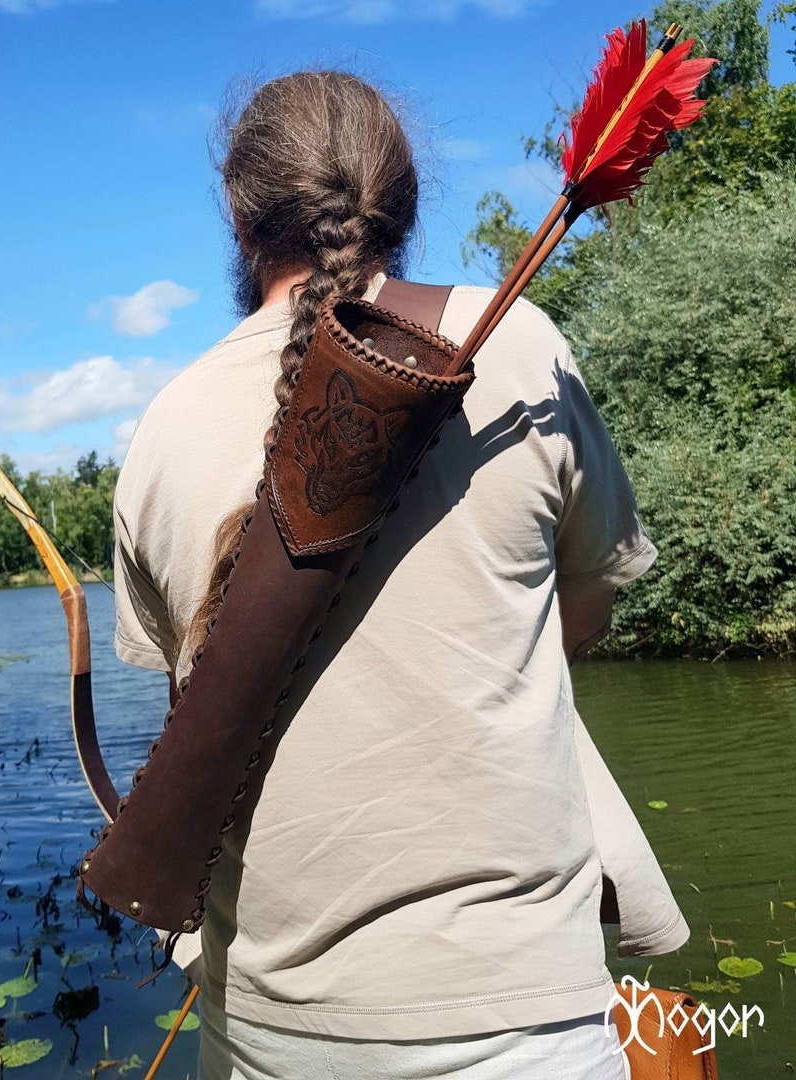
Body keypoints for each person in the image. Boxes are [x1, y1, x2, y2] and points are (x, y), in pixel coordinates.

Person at [111, 71, 683, 1080]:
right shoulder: (520, 345)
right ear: (404, 214)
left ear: (242, 223)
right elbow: (582, 615)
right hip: (526, 1029)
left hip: (272, 1041)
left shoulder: (164, 427)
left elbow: (189, 697)